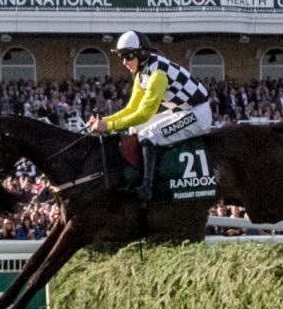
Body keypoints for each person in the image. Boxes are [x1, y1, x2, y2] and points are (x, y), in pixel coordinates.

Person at [86, 31, 212, 203]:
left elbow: (145, 113)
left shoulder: (158, 74)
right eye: (122, 57)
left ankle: (148, 187)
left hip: (198, 113)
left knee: (149, 134)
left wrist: (109, 127)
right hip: (182, 110)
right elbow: (132, 108)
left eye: (127, 56)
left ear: (141, 53)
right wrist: (105, 121)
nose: (124, 62)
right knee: (135, 129)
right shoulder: (142, 72)